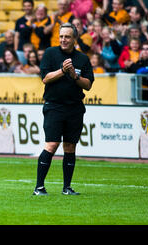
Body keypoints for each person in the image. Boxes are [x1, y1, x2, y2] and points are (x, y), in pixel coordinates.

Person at [33, 23, 94, 196]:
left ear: (74, 39)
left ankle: (67, 188)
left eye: (67, 36)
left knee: (70, 146)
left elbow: (88, 85)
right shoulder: (50, 53)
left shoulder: (83, 59)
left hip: (75, 108)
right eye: (61, 36)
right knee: (52, 144)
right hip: (54, 106)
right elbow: (45, 78)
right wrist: (62, 70)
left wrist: (75, 76)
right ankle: (39, 187)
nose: (63, 39)